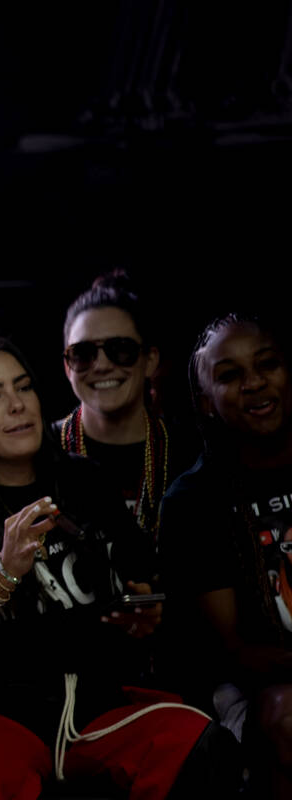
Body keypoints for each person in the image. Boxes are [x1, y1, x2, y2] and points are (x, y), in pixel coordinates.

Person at [0, 336, 233, 800]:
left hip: (100, 705)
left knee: (199, 743)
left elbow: (142, 584)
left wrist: (143, 615)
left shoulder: (84, 480)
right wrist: (1, 572)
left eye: (23, 388)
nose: (17, 405)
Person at [159, 313, 292, 798]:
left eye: (267, 365)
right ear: (205, 403)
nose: (254, 383)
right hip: (250, 690)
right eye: (230, 375)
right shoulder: (196, 499)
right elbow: (234, 651)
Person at [58, 272, 198, 540]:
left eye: (120, 349)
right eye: (83, 353)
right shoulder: (40, 451)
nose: (101, 365)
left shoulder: (191, 452)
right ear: (67, 366)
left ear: (151, 360)